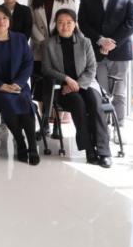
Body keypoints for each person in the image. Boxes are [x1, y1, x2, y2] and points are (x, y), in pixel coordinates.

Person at [42, 9, 112, 168]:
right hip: (64, 88)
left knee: (95, 104)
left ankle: (104, 152)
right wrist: (66, 80)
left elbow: (92, 68)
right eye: (61, 22)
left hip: (87, 84)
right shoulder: (49, 43)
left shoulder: (85, 42)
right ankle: (89, 150)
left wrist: (77, 84)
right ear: (55, 24)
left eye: (69, 22)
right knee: (78, 104)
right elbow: (46, 69)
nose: (65, 26)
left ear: (75, 24)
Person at [0, 5, 39, 165]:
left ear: (9, 21)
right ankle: (20, 142)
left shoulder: (20, 39)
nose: (1, 21)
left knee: (26, 103)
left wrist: (19, 83)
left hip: (19, 86)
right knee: (8, 102)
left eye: (4, 18)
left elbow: (28, 63)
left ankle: (32, 147)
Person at [77, 0, 133, 128]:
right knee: (100, 92)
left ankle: (119, 127)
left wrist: (112, 43)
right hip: (96, 53)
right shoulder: (86, 0)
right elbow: (83, 25)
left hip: (120, 53)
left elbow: (131, 24)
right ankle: (103, 128)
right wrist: (101, 40)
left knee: (119, 93)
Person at [28, 0, 77, 127]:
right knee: (41, 87)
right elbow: (31, 24)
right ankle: (45, 122)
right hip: (39, 48)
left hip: (61, 48)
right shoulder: (33, 0)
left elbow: (71, 22)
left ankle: (57, 122)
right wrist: (43, 42)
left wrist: (55, 43)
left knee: (60, 84)